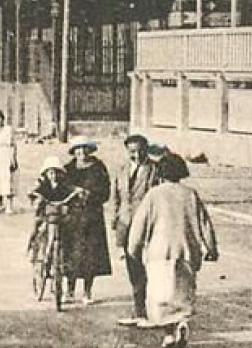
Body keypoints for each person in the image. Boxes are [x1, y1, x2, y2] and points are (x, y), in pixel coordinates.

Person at [126, 153, 218, 348]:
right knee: (183, 292)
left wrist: (133, 248)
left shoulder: (153, 195)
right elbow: (204, 223)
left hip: (159, 252)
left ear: (160, 173)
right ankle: (182, 323)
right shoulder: (190, 194)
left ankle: (169, 334)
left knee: (161, 296)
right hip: (187, 250)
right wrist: (211, 248)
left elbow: (139, 226)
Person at [110, 134, 157, 326]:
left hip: (146, 223)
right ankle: (139, 309)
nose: (136, 156)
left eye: (139, 151)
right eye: (132, 152)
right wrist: (114, 219)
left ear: (146, 150)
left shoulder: (154, 169)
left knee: (149, 267)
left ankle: (150, 309)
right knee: (133, 267)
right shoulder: (121, 169)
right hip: (126, 222)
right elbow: (116, 196)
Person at [63, 139, 113, 304]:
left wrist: (90, 194)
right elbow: (61, 188)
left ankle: (87, 292)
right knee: (72, 252)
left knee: (91, 254)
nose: (81, 153)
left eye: (85, 149)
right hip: (72, 217)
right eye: (78, 149)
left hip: (92, 216)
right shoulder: (68, 169)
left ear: (90, 150)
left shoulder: (98, 168)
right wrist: (73, 192)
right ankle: (69, 290)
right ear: (74, 151)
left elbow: (105, 192)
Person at [27, 156, 83, 298]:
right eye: (50, 173)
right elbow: (35, 191)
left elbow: (72, 190)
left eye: (56, 172)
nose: (53, 175)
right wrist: (34, 195)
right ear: (45, 174)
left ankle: (64, 259)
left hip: (60, 218)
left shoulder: (64, 185)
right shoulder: (43, 185)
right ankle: (33, 248)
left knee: (72, 233)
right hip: (47, 216)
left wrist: (78, 192)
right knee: (38, 228)